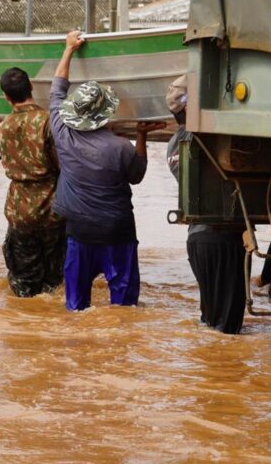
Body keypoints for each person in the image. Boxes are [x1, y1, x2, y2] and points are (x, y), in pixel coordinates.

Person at [49, 30, 162, 311]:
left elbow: (56, 88)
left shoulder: (62, 133)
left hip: (80, 232)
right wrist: (141, 136)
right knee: (123, 309)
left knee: (75, 307)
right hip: (117, 232)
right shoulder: (121, 147)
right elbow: (137, 176)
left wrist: (69, 49)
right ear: (106, 114)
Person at [165, 74, 247, 334]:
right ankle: (226, 373)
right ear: (190, 107)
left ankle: (210, 370)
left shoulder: (173, 145)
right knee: (229, 330)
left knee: (211, 321)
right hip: (222, 239)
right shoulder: (203, 138)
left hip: (197, 242)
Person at [0, 67, 67, 297]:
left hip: (19, 211)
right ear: (32, 87)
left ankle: (23, 326)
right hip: (51, 209)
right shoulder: (48, 121)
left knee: (23, 283)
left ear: (5, 96)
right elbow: (62, 163)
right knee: (53, 282)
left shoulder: (2, 127)